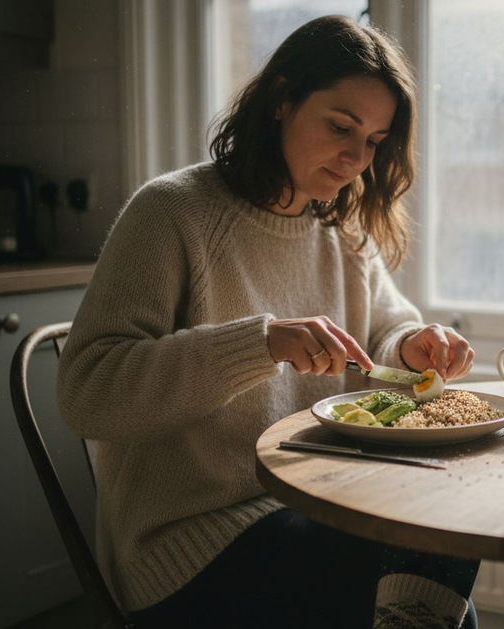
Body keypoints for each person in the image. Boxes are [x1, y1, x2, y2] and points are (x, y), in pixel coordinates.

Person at [57, 15, 480, 629]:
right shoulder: (172, 213)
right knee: (407, 571)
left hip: (313, 500)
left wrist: (414, 345)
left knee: (443, 530)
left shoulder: (343, 228)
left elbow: (386, 332)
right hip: (189, 541)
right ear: (282, 101)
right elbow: (86, 393)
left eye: (374, 141)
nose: (355, 158)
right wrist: (255, 343)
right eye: (341, 127)